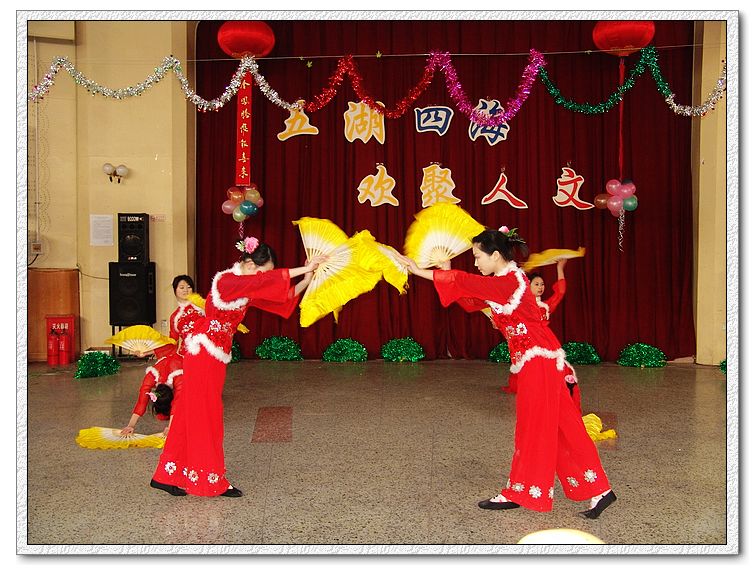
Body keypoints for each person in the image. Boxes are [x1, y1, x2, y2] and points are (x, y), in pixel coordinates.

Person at [398, 226, 615, 518]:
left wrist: (419, 271)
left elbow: (466, 282)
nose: (475, 262)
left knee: (534, 425)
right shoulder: (504, 283)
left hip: (539, 360)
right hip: (540, 359)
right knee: (565, 425)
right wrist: (445, 272)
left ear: (496, 255)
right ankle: (600, 490)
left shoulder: (510, 281)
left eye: (478, 256)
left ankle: (523, 490)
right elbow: (470, 300)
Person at [150, 237, 324, 497]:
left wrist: (307, 278)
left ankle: (165, 475)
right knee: (206, 413)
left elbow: (280, 297)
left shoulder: (244, 287)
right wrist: (304, 268)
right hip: (204, 353)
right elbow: (264, 283)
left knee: (189, 412)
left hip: (210, 355)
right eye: (263, 272)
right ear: (251, 265)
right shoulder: (226, 281)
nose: (263, 278)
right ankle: (209, 480)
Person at [119, 275, 204, 437]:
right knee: (186, 389)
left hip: (205, 352)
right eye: (181, 287)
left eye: (188, 287)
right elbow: (172, 342)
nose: (186, 290)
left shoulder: (202, 308)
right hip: (186, 355)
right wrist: (147, 352)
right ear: (175, 291)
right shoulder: (175, 317)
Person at [504, 259, 583, 413]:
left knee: (556, 368)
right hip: (527, 344)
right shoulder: (520, 306)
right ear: (528, 286)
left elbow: (560, 292)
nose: (540, 287)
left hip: (545, 343)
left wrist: (560, 268)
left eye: (542, 284)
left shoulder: (545, 306)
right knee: (530, 374)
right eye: (536, 284)